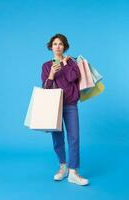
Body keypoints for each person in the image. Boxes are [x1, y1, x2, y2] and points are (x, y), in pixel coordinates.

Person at [41, 33, 89, 186]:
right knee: (57, 138)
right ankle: (63, 167)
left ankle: (73, 172)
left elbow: (72, 79)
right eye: (55, 44)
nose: (58, 46)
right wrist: (51, 74)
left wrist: (65, 64)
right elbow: (45, 88)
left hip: (70, 104)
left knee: (74, 137)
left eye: (61, 44)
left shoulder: (72, 63)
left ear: (65, 47)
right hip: (54, 106)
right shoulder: (46, 66)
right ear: (51, 47)